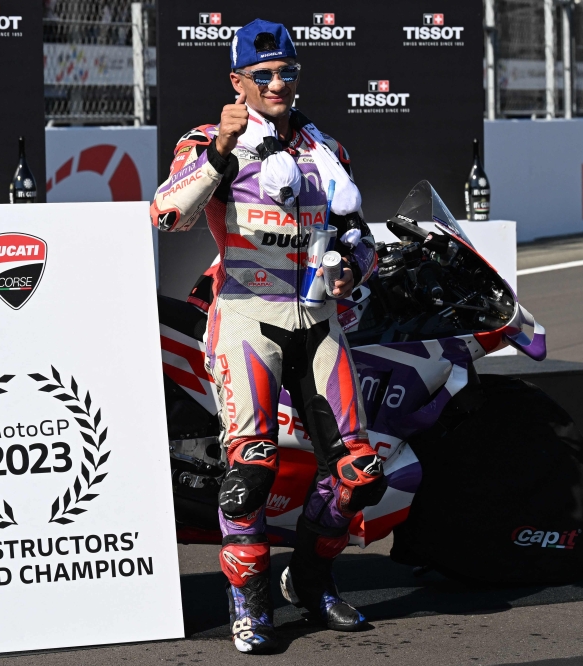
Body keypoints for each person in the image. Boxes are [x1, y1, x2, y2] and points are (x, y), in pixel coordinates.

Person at [150, 19, 385, 654]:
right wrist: (221, 152)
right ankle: (249, 603)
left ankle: (309, 581)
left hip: (319, 320)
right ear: (238, 82)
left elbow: (361, 236)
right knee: (250, 469)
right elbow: (167, 215)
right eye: (264, 75)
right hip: (246, 316)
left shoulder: (324, 146)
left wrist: (351, 267)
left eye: (287, 72)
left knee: (360, 472)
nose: (278, 83)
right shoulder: (207, 139)